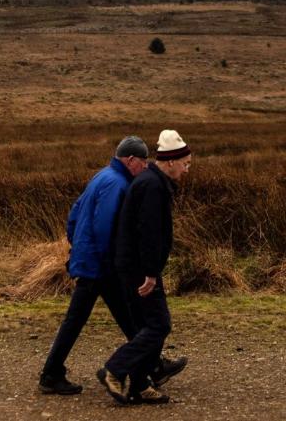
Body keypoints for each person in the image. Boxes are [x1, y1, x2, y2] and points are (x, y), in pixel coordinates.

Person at [39, 136, 186, 395]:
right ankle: (53, 373)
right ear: (131, 160)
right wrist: (116, 263)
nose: (145, 167)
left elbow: (74, 213)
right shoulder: (117, 184)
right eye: (142, 162)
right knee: (85, 319)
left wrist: (77, 246)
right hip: (101, 265)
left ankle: (151, 366)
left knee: (116, 318)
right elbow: (107, 228)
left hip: (90, 259)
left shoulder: (102, 176)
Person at [99, 129, 191, 405]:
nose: (187, 170)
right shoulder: (152, 186)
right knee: (159, 325)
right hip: (140, 270)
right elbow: (148, 234)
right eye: (186, 164)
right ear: (171, 162)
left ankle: (139, 385)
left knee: (144, 326)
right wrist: (151, 273)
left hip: (132, 267)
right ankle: (114, 369)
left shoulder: (151, 182)